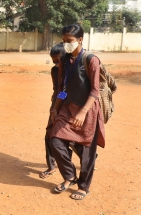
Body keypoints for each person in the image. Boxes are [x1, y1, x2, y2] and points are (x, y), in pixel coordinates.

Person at [50, 24, 105, 200]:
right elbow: (62, 88)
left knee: (87, 151)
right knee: (55, 139)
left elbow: (95, 91)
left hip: (87, 109)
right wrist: (55, 107)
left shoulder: (91, 60)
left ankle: (83, 186)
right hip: (68, 105)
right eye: (64, 41)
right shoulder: (64, 60)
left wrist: (83, 113)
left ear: (80, 40)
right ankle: (70, 176)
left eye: (70, 41)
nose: (66, 44)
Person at [39, 43, 69, 179]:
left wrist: (57, 106)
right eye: (53, 61)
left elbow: (64, 92)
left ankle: (88, 154)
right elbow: (57, 89)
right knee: (49, 134)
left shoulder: (71, 71)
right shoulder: (55, 71)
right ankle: (51, 166)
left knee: (70, 139)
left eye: (58, 60)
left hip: (69, 107)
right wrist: (53, 107)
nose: (56, 63)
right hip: (56, 105)